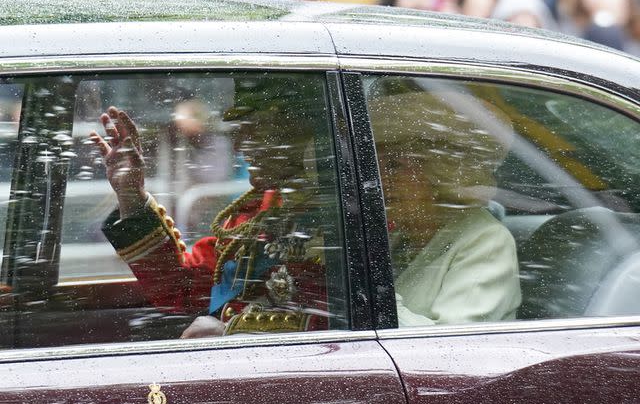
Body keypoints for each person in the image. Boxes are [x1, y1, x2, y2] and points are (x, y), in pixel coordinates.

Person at [90, 77, 330, 337]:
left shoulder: (352, 222)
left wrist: (231, 332)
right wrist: (131, 195)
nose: (238, 146)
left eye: (254, 130)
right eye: (239, 131)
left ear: (299, 131)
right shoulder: (254, 213)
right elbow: (184, 288)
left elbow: (347, 324)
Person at [367, 77, 521, 326]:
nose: (380, 180)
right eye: (377, 166)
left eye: (395, 166)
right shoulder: (401, 237)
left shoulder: (487, 242)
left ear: (439, 173)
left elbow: (452, 348)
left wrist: (373, 299)